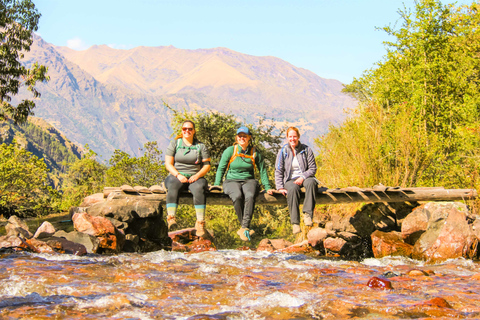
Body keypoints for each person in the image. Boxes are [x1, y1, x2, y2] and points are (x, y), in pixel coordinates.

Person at [215, 126, 274, 241]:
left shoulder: (254, 152)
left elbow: (262, 170)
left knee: (250, 195)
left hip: (249, 180)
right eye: (240, 136)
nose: (242, 138)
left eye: (245, 136)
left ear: (249, 138)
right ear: (237, 138)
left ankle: (244, 227)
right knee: (237, 196)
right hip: (231, 181)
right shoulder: (230, 151)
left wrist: (267, 187)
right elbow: (221, 168)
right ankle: (245, 227)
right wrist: (216, 185)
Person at [164, 120, 211, 237]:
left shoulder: (201, 146)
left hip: (195, 176)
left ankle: (200, 223)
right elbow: (168, 164)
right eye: (184, 129)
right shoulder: (175, 144)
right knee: (172, 185)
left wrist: (197, 176)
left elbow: (207, 165)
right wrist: (178, 175)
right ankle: (171, 218)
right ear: (182, 130)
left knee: (200, 188)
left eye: (190, 129)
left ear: (194, 131)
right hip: (177, 176)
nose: (187, 131)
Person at [275, 127, 318, 234]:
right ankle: (295, 223)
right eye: (290, 137)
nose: (292, 139)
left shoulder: (306, 150)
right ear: (287, 138)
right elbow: (278, 170)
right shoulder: (283, 151)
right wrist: (280, 187)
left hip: (305, 177)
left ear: (298, 137)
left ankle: (308, 214)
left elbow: (313, 168)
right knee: (293, 189)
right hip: (290, 180)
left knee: (312, 183)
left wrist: (303, 177)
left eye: (294, 136)